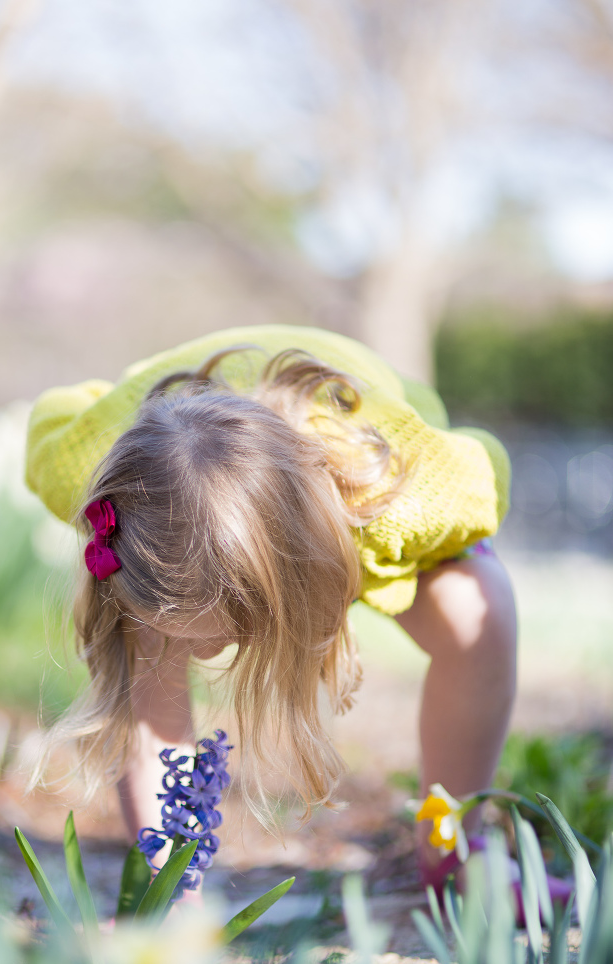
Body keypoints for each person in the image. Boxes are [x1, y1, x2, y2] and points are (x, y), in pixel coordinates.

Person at [25, 324, 517, 888]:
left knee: (480, 612)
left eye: (228, 632)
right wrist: (167, 905)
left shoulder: (407, 496)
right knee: (144, 644)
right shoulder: (90, 471)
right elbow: (53, 410)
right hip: (172, 472)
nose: (207, 653)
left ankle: (453, 854)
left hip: (362, 468)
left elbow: (488, 473)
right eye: (189, 636)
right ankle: (171, 884)